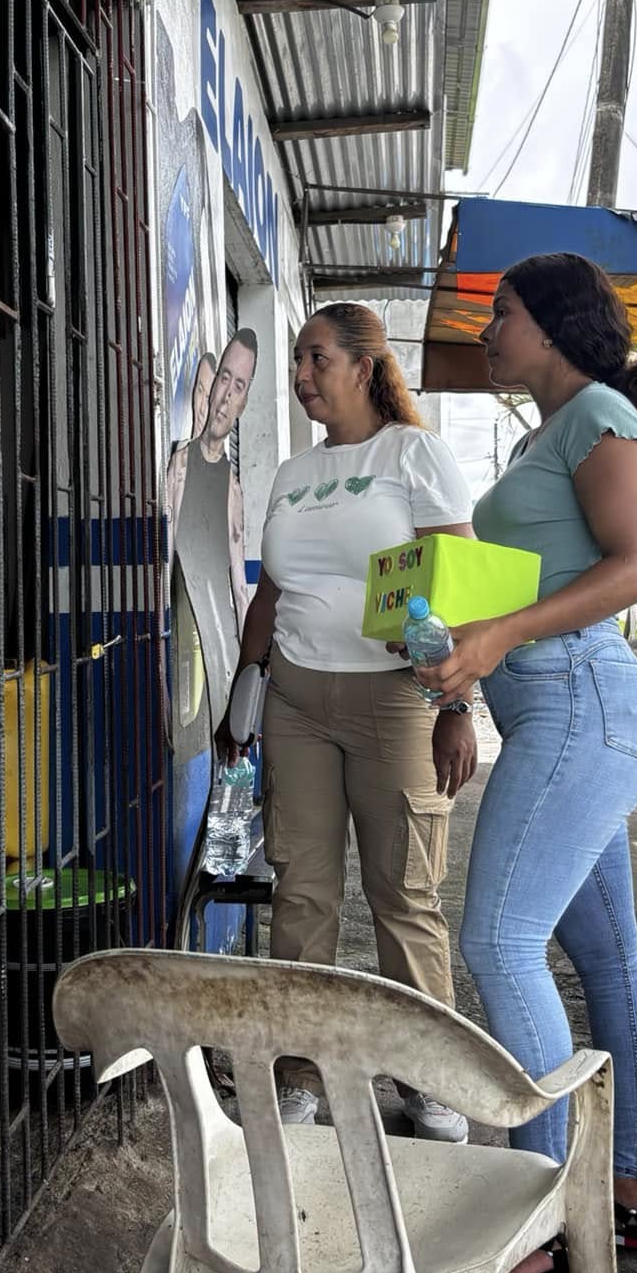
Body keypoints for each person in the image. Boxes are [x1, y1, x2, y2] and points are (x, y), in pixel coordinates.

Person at [417, 253, 637, 1267]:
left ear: (556, 322)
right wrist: (456, 646)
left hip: (581, 703)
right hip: (557, 713)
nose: (488, 331)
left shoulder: (596, 417)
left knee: (496, 943)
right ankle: (634, 1193)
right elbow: (526, 584)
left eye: (504, 313)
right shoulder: (546, 433)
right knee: (607, 955)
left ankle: (541, 1213)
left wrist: (498, 634)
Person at [215, 303, 480, 1144]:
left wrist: (456, 705)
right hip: (295, 701)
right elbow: (272, 592)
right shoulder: (294, 474)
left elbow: (459, 581)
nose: (301, 376)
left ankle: (429, 1077)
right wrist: (244, 686)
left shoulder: (413, 455)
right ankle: (298, 1074)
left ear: (365, 366)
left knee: (404, 895)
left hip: (394, 702)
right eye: (296, 360)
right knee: (302, 892)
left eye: (316, 358)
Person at [166, 330, 257, 740]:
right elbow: (164, 557)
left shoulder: (232, 486)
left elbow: (239, 585)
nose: (224, 397)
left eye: (238, 386)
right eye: (224, 379)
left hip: (220, 639)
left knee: (222, 736)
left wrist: (245, 661)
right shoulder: (181, 465)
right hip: (183, 628)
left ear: (243, 402)